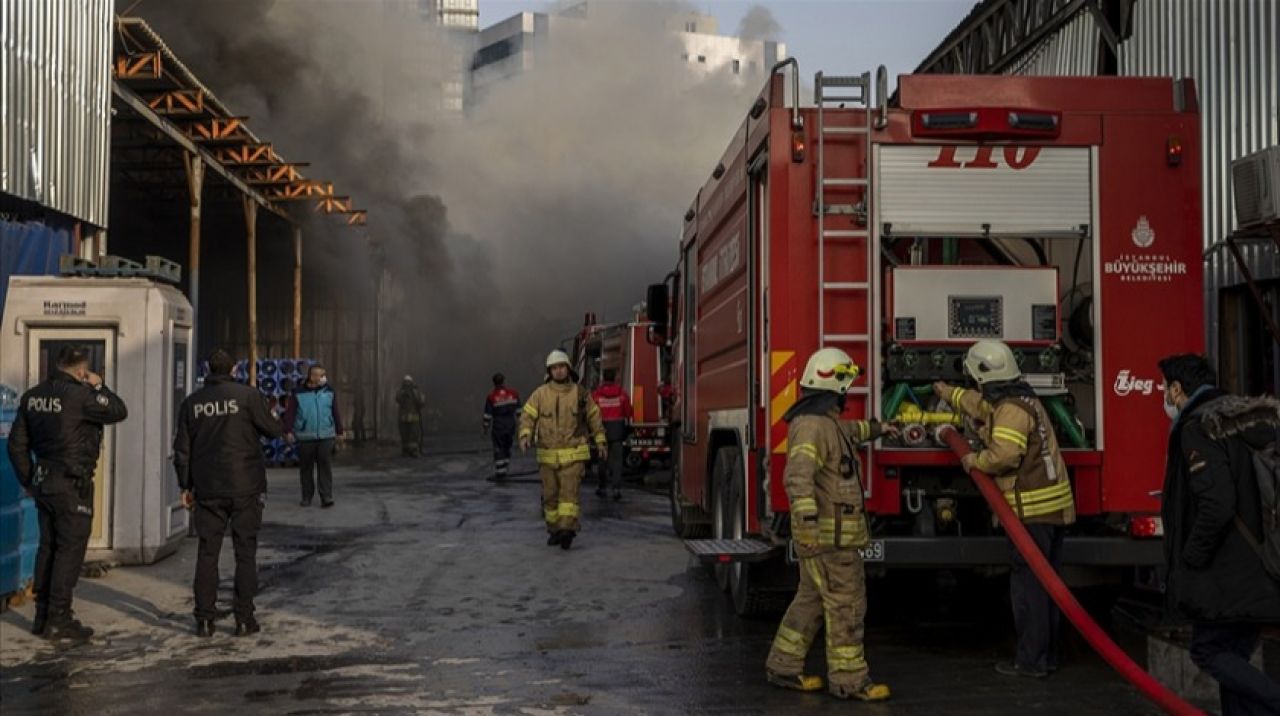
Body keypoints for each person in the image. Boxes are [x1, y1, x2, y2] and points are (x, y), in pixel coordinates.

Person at [933, 339, 1075, 679]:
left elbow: (1004, 457)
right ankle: (1047, 656)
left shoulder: (1010, 411)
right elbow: (979, 405)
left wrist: (971, 458)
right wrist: (948, 391)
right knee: (1047, 587)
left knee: (1030, 590)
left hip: (1032, 513)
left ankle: (1031, 662)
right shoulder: (1020, 400)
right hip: (1049, 512)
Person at [765, 348, 896, 701]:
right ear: (834, 388)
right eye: (846, 385)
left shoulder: (824, 423)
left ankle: (783, 665)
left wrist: (881, 428)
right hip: (829, 541)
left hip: (828, 538)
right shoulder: (812, 427)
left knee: (809, 600)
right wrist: (807, 531)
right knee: (847, 604)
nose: (848, 392)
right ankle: (850, 680)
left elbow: (849, 432)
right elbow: (798, 479)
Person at [1158, 353, 1280, 714]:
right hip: (1264, 562)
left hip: (1227, 572)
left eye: (1165, 389)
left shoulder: (1199, 427)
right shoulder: (1248, 418)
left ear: (1178, 389)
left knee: (1208, 651)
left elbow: (1217, 504)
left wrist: (1191, 557)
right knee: (1235, 657)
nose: (1164, 397)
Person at [6, 345, 127, 643]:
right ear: (81, 371)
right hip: (73, 485)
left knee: (48, 547)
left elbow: (16, 445)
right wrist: (99, 385)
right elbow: (117, 410)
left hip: (45, 482)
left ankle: (42, 615)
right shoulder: (82, 396)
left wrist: (30, 479)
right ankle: (60, 618)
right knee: (69, 551)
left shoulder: (32, 397)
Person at [173, 350, 283, 637]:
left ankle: (205, 620)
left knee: (207, 553)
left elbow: (182, 450)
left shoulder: (192, 403)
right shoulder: (248, 396)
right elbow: (273, 430)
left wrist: (185, 486)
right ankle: (244, 618)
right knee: (245, 553)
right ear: (234, 369)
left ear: (209, 370)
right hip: (246, 485)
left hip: (208, 487)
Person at [518, 350, 606, 550]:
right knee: (550, 497)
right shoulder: (540, 394)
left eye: (562, 367)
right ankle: (554, 529)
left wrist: (601, 441)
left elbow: (594, 417)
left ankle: (567, 530)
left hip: (573, 455)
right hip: (547, 456)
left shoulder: (581, 394)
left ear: (569, 369)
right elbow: (527, 417)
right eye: (554, 368)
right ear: (549, 371)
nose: (558, 371)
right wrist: (525, 435)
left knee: (569, 495)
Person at [283, 363, 343, 508]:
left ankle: (326, 496)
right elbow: (290, 413)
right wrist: (288, 431)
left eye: (324, 374)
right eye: (319, 375)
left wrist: (339, 431)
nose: (323, 377)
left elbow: (335, 412)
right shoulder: (298, 393)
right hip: (305, 435)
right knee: (306, 467)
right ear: (311, 376)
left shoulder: (329, 391)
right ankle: (307, 496)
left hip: (326, 435)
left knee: (325, 464)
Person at [592, 369, 632, 500]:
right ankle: (616, 489)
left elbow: (590, 413)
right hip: (617, 431)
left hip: (601, 430)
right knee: (617, 462)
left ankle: (602, 487)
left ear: (603, 378)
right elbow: (628, 412)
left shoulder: (597, 395)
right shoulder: (622, 394)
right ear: (615, 378)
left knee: (602, 460)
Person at [483, 373, 521, 480]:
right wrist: (522, 424)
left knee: (499, 447)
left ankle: (501, 472)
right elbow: (519, 411)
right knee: (507, 446)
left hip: (499, 425)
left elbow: (487, 415)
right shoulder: (513, 394)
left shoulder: (491, 397)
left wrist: (485, 427)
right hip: (511, 424)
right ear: (503, 381)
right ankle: (505, 468)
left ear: (494, 382)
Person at [396, 375, 426, 457]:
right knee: (404, 435)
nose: (407, 384)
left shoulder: (416, 391)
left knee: (414, 435)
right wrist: (404, 393)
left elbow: (421, 402)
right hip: (404, 419)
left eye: (409, 382)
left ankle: (414, 451)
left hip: (414, 419)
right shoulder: (401, 391)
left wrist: (415, 393)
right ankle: (406, 451)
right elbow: (398, 398)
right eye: (406, 382)